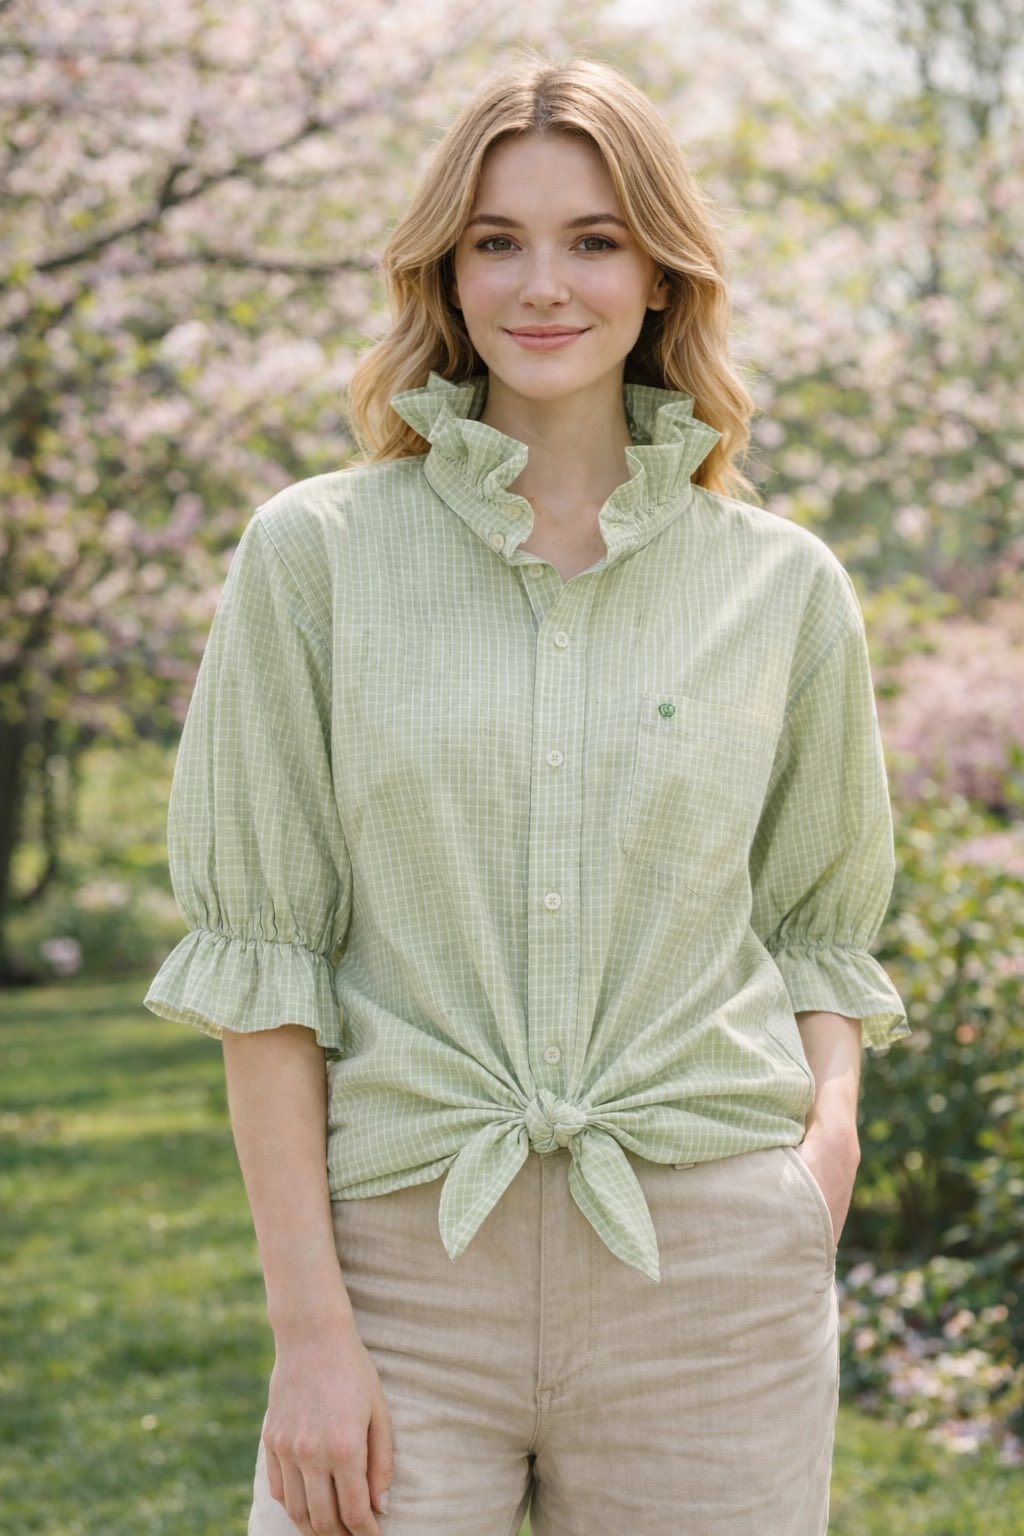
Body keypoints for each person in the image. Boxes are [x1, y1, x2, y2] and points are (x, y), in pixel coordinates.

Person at [144, 53, 909, 1536]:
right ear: (446, 269)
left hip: (711, 1274)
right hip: (405, 1283)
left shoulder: (783, 585)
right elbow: (267, 969)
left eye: (593, 239)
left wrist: (824, 1154)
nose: (541, 284)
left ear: (662, 276)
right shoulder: (314, 557)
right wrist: (311, 1336)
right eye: (497, 240)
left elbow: (820, 923)